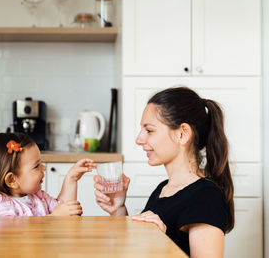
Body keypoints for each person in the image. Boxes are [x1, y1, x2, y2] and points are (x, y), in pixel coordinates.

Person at [94, 87, 234, 257]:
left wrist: (162, 246)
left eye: (149, 130)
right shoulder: (163, 190)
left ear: (182, 134)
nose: (139, 139)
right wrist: (118, 210)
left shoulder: (206, 197)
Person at [0, 132, 96, 216]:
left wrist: (71, 179)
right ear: (12, 180)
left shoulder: (38, 197)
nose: (43, 168)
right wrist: (53, 219)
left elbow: (64, 210)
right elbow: (11, 233)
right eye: (36, 166)